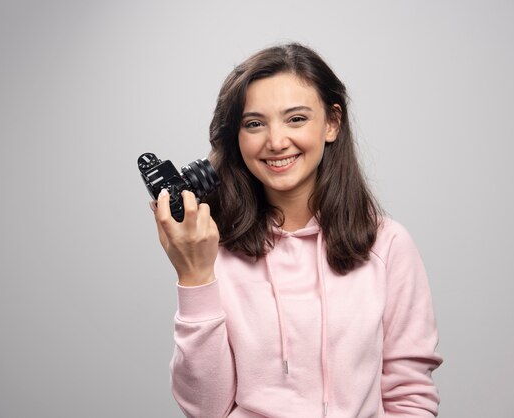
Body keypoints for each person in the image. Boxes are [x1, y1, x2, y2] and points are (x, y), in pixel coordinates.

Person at [150, 43, 442, 417]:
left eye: (296, 119)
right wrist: (194, 276)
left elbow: (410, 396)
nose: (276, 141)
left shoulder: (388, 245)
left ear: (332, 123)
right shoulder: (212, 251)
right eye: (254, 124)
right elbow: (205, 410)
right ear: (236, 137)